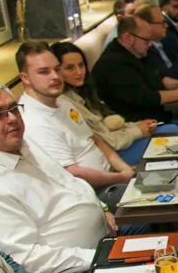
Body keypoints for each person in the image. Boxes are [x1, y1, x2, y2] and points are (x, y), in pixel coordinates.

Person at [0, 81, 118, 273]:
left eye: (13, 108)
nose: (12, 119)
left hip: (103, 238)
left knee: (159, 240)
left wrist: (102, 208)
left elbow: (69, 182)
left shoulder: (17, 141)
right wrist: (101, 256)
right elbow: (28, 258)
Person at [17, 42, 134, 190]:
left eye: (57, 69)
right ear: (25, 78)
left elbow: (95, 141)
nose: (55, 76)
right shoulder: (33, 121)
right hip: (92, 191)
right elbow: (73, 174)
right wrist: (122, 178)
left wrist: (127, 171)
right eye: (44, 72)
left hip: (112, 176)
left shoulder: (63, 101)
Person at [51, 42, 177, 166]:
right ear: (57, 71)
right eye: (70, 68)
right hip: (111, 155)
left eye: (81, 65)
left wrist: (138, 125)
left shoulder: (84, 92)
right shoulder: (66, 103)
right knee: (172, 132)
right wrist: (138, 131)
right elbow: (103, 141)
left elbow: (107, 126)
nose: (79, 72)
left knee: (170, 130)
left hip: (120, 142)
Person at [92, 15, 178, 123]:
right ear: (128, 38)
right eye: (146, 40)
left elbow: (156, 79)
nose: (150, 44)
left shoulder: (136, 52)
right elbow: (144, 98)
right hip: (137, 124)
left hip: (159, 117)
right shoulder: (114, 63)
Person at [135, 4, 178, 81]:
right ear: (147, 25)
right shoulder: (145, 49)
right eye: (162, 23)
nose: (166, 26)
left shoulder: (165, 40)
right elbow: (168, 80)